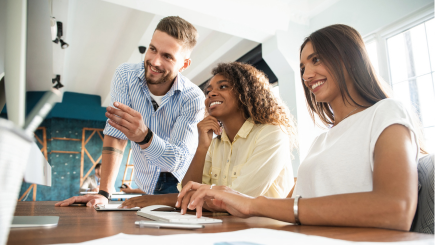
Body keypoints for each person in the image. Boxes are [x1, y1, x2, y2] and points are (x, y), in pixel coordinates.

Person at [177, 24, 424, 231]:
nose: (306, 75)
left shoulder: (386, 112)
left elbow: (396, 210)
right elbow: (287, 209)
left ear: (348, 57)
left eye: (316, 59)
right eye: (303, 67)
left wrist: (253, 204)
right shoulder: (321, 141)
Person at [55, 16, 205, 207]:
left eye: (167, 56)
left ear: (184, 64)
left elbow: (176, 161)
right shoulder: (125, 75)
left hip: (179, 186)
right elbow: (116, 135)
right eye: (152, 49)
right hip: (145, 182)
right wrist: (104, 193)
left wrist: (144, 136)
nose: (155, 61)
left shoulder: (193, 98)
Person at [119, 62, 297, 209]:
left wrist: (159, 199)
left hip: (264, 233)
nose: (211, 93)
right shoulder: (215, 143)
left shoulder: (272, 134)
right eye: (208, 90)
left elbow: (238, 200)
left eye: (223, 86)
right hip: (221, 228)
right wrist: (202, 147)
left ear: (246, 92)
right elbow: (187, 193)